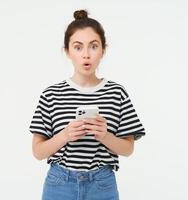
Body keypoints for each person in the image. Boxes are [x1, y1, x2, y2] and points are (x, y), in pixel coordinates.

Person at [29, 9, 146, 200]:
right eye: (78, 47)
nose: (86, 55)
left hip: (102, 183)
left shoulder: (116, 93)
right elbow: (38, 151)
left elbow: (128, 149)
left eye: (93, 46)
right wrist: (65, 135)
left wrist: (104, 135)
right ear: (67, 51)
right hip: (59, 183)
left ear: (103, 50)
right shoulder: (51, 94)